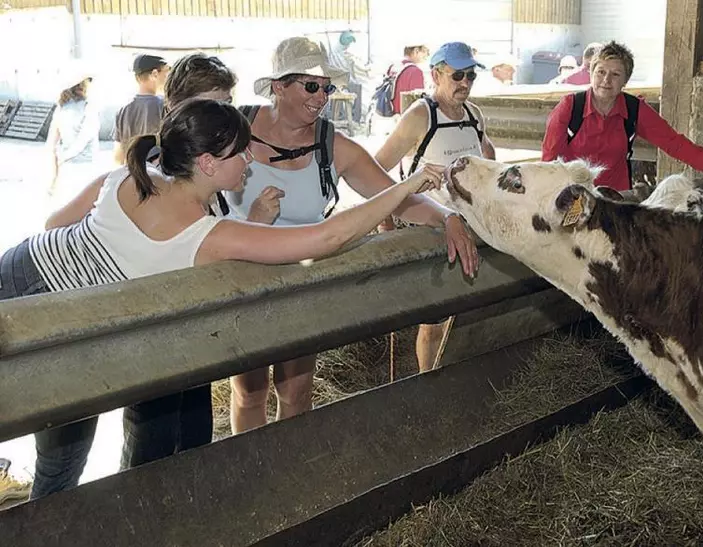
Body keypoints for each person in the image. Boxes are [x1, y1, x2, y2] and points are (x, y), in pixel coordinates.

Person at [0, 98, 443, 500]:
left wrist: (255, 219)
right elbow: (327, 237)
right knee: (61, 464)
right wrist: (406, 188)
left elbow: (57, 224)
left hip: (25, 272)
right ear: (209, 164)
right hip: (47, 320)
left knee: (63, 458)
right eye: (240, 152)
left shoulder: (135, 175)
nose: (250, 159)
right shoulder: (207, 234)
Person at [224, 36, 479, 434]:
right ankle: (248, 470)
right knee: (249, 392)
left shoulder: (332, 146)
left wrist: (446, 216)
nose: (321, 97)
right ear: (278, 86)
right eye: (311, 86)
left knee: (296, 391)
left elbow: (392, 197)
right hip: (241, 282)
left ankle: (283, 466)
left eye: (326, 87)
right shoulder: (233, 130)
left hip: (301, 283)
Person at [36, 52, 236, 493]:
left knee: (189, 436)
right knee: (72, 448)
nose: (219, 118)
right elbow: (56, 225)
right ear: (173, 112)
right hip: (104, 322)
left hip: (180, 331)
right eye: (207, 105)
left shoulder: (215, 181)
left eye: (226, 106)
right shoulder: (140, 174)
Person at [374, 41, 496, 373]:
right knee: (434, 317)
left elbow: (488, 159)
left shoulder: (474, 116)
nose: (465, 83)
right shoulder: (420, 115)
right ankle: (428, 382)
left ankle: (452, 374)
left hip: (467, 227)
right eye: (457, 75)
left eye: (471, 75)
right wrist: (385, 221)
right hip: (427, 229)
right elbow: (375, 170)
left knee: (461, 310)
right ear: (436, 75)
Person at [542, 41, 703, 191]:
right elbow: (549, 160)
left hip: (615, 200)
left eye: (615, 74)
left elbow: (672, 142)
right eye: (600, 71)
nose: (606, 80)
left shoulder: (634, 109)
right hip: (572, 197)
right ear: (591, 73)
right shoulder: (570, 108)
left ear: (625, 81)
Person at [46, 63, 100, 208]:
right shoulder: (89, 107)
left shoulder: (61, 108)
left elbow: (51, 144)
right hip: (86, 168)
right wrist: (66, 156)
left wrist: (55, 175)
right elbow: (84, 138)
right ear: (83, 84)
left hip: (67, 169)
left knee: (65, 214)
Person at [112, 54, 170, 165]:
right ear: (154, 74)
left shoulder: (123, 110)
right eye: (166, 71)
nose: (168, 77)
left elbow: (118, 157)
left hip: (131, 173)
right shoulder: (165, 105)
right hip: (157, 175)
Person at [390, 44, 430, 115]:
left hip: (390, 115)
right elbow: (418, 103)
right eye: (425, 51)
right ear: (416, 51)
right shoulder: (416, 71)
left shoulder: (393, 67)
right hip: (405, 117)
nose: (427, 55)